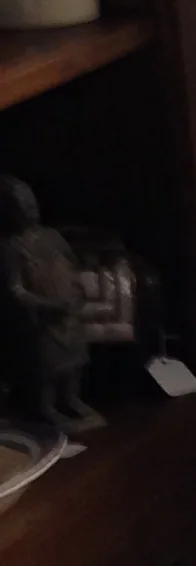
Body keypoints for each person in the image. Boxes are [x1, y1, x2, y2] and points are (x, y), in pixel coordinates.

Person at [0, 174, 99, 429]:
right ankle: (46, 408)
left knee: (75, 359)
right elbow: (15, 290)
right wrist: (45, 305)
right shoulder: (11, 247)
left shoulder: (52, 236)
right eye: (20, 203)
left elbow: (72, 265)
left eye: (30, 201)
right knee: (48, 365)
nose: (29, 207)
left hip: (68, 312)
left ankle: (72, 399)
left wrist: (78, 289)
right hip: (41, 322)